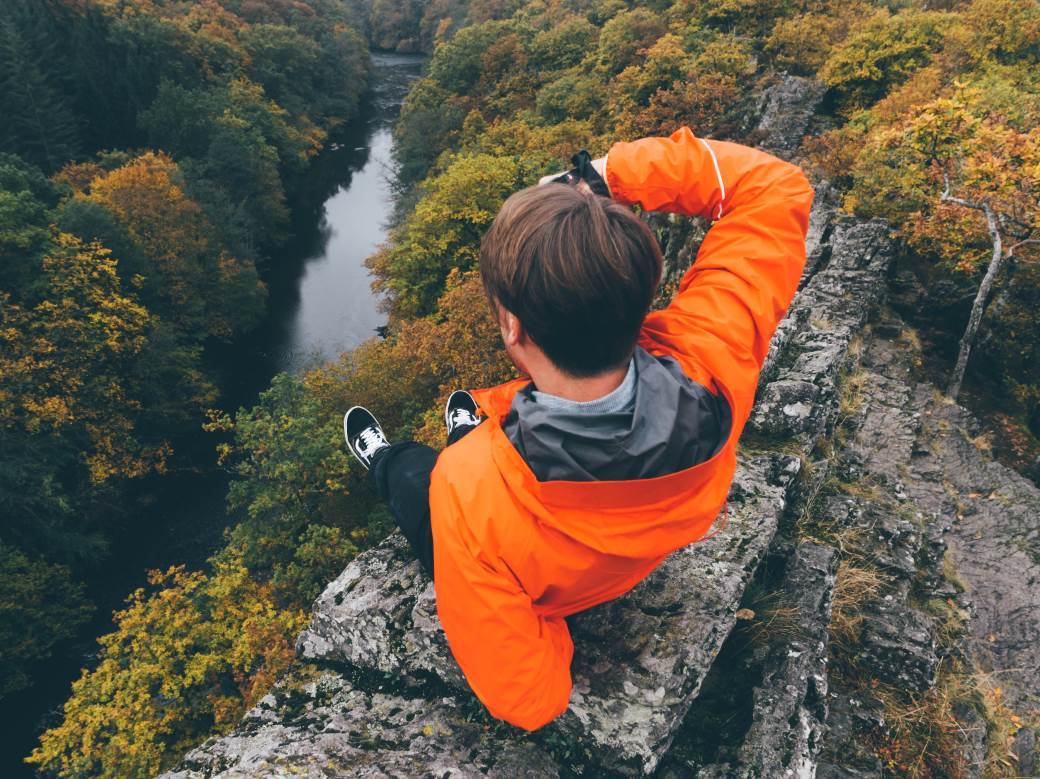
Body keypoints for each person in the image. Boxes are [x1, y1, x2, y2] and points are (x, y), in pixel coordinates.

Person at [343, 126, 814, 732]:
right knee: (469, 462)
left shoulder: (468, 489)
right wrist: (607, 177)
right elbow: (773, 186)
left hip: (515, 538)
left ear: (513, 327)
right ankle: (465, 426)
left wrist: (548, 623)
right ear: (641, 299)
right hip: (636, 543)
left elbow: (530, 700)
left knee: (417, 483)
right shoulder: (712, 360)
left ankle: (386, 458)